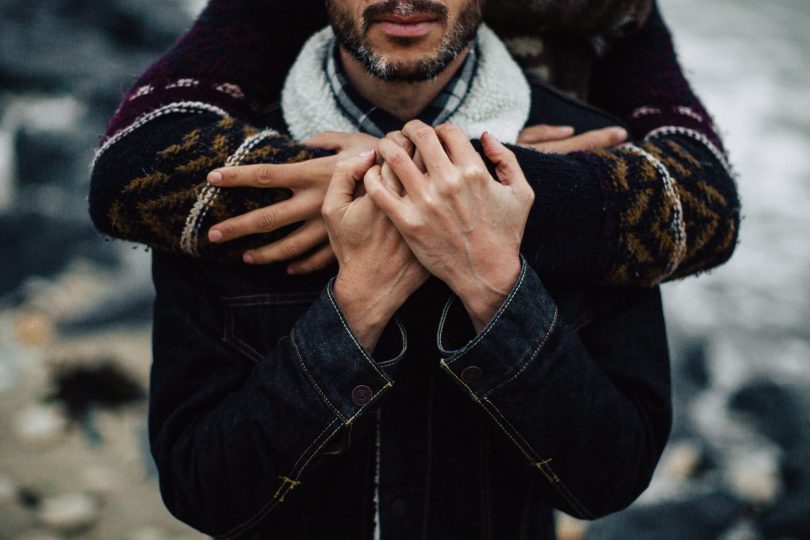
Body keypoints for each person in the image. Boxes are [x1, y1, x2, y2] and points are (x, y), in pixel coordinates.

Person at [87, 1, 737, 538]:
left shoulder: (599, 168)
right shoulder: (217, 174)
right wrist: (356, 309)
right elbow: (202, 490)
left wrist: (493, 278)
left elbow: (607, 480)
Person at [89, 0, 739, 287]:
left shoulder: (603, 7)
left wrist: (389, 186)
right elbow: (133, 167)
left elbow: (706, 202)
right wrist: (469, 189)